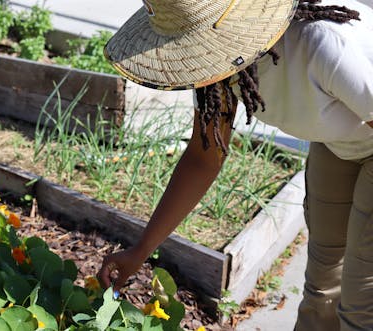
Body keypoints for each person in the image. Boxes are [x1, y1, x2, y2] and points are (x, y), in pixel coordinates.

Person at [97, 0, 373, 330]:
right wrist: (141, 250)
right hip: (340, 143)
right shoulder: (220, 68)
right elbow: (204, 158)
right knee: (322, 287)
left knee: (361, 303)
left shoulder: (323, 44)